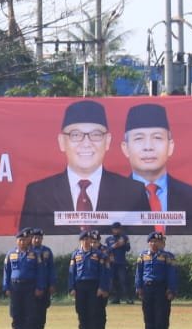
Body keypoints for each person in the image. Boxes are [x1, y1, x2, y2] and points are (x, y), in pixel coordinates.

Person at [18, 100, 127, 234]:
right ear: (62, 142)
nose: (86, 143)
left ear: (108, 141)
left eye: (96, 135)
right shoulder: (38, 193)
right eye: (75, 135)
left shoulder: (132, 192)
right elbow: (25, 239)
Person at [105, 103, 192, 236]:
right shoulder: (109, 200)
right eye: (139, 139)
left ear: (170, 146)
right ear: (125, 148)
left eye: (157, 138)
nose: (148, 147)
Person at [134, 232, 179, 329]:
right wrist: (138, 287)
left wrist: (171, 289)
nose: (154, 244)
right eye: (152, 241)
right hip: (147, 287)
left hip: (161, 288)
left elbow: (171, 274)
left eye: (156, 242)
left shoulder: (166, 256)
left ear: (160, 243)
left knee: (160, 313)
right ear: (148, 243)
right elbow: (139, 272)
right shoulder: (143, 255)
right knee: (148, 313)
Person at [2, 230, 39, 329]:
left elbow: (40, 271)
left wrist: (39, 286)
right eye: (20, 240)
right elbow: (6, 271)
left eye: (24, 240)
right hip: (15, 286)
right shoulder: (11, 253)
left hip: (29, 286)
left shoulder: (34, 254)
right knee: (16, 312)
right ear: (17, 241)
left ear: (28, 240)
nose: (22, 242)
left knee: (29, 311)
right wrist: (6, 287)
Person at [69, 229, 103, 329]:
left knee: (92, 311)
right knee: (81, 311)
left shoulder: (97, 254)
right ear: (80, 241)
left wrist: (101, 287)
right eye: (84, 239)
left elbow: (102, 272)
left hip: (93, 285)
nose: (86, 241)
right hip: (80, 286)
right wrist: (71, 287)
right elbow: (72, 272)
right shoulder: (75, 254)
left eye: (88, 239)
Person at [30, 228, 54, 329]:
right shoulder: (28, 250)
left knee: (42, 310)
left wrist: (52, 284)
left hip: (44, 285)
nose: (37, 240)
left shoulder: (47, 251)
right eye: (35, 237)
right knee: (31, 309)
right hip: (30, 285)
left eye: (39, 238)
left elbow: (51, 268)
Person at [104, 222, 132, 305]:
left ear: (120, 229)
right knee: (112, 281)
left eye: (118, 229)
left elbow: (128, 249)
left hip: (121, 263)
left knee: (123, 280)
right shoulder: (108, 239)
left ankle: (128, 298)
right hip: (112, 263)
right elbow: (106, 251)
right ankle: (116, 298)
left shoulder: (125, 237)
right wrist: (113, 246)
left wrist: (123, 244)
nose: (116, 230)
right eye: (114, 229)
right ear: (112, 230)